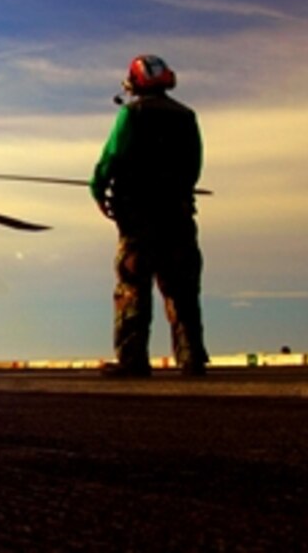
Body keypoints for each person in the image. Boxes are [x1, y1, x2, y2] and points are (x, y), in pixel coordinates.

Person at [90, 55, 208, 377]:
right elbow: (194, 166)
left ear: (135, 81)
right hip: (179, 215)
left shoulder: (132, 113)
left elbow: (112, 155)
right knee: (182, 288)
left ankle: (132, 361)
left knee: (133, 286)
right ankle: (191, 358)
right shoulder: (187, 116)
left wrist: (98, 189)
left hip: (139, 218)